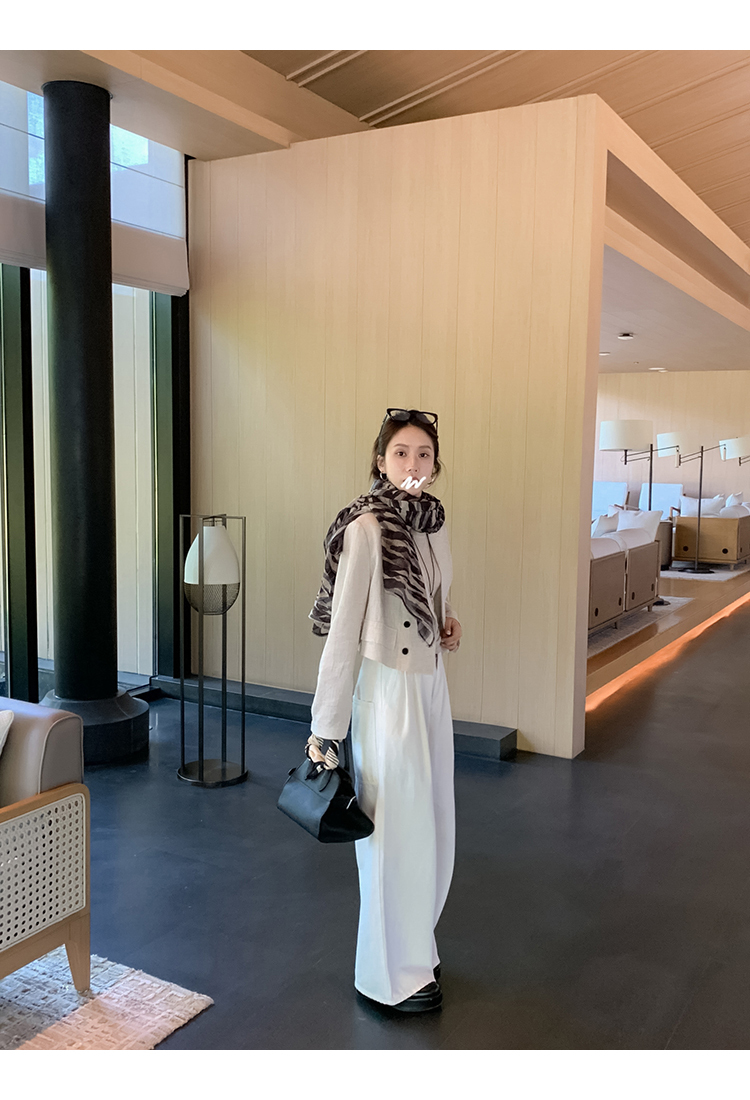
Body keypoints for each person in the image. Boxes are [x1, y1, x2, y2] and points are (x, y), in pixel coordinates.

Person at [308, 408, 462, 1013]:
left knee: (434, 823)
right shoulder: (366, 527)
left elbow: (432, 598)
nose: (413, 463)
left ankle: (416, 948)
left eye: (424, 454)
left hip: (430, 684)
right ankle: (385, 976)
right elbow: (343, 633)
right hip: (388, 692)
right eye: (401, 453)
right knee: (393, 834)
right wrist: (326, 729)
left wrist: (447, 623)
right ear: (381, 461)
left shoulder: (433, 522)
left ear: (435, 464)